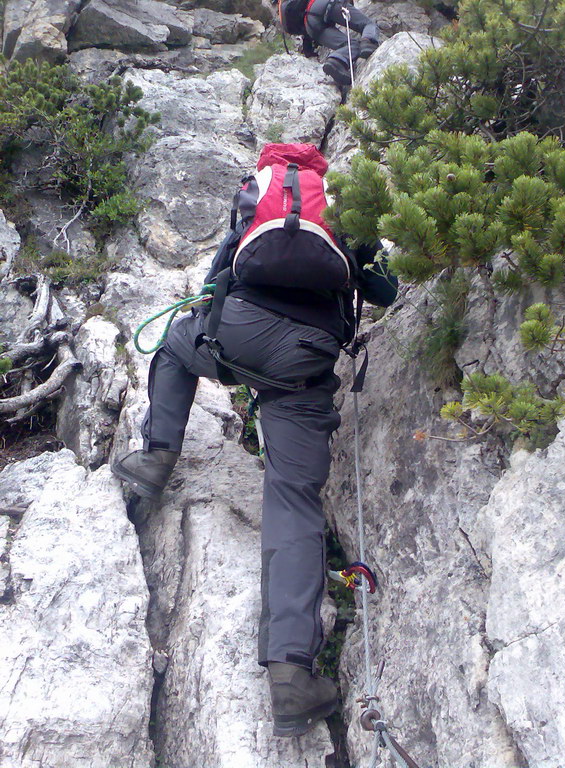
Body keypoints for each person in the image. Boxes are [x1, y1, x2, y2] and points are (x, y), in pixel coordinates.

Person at [111, 143, 397, 737]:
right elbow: (384, 292)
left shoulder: (255, 197)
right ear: (322, 175)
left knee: (171, 342)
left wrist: (221, 327)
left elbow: (219, 275)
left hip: (237, 334)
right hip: (304, 362)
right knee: (294, 500)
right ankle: (291, 680)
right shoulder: (344, 208)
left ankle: (157, 458)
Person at [304, 0, 380, 86]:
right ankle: (368, 42)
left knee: (352, 45)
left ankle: (336, 61)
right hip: (328, 4)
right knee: (368, 24)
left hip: (310, 23)